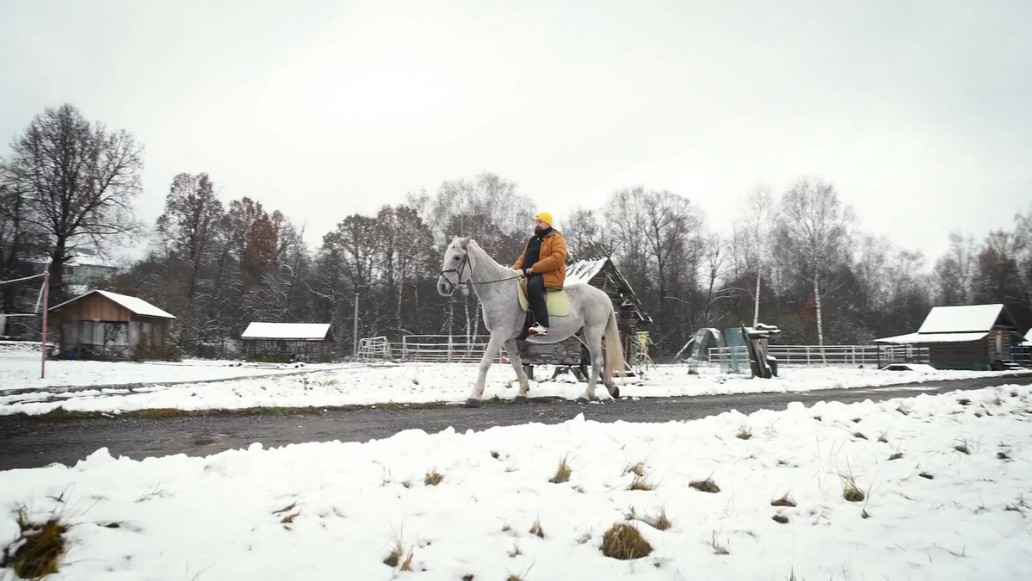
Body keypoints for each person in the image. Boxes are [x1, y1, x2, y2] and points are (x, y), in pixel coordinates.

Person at [511, 211, 568, 335]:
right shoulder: (534, 239)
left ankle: (542, 325)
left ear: (548, 223)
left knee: (533, 285)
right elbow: (524, 256)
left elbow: (559, 257)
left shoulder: (556, 238)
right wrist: (513, 270)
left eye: (540, 222)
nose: (537, 224)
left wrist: (535, 268)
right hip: (530, 273)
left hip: (551, 274)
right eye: (536, 222)